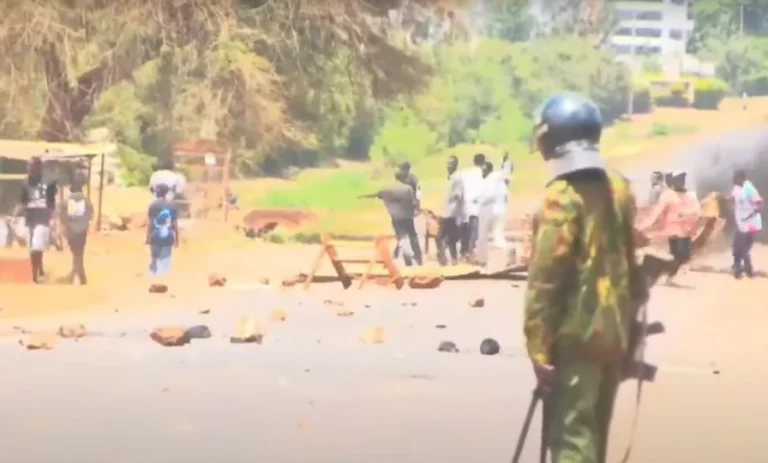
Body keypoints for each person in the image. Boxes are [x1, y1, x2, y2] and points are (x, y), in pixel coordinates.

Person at [524, 93, 649, 463]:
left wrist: (538, 346)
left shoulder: (561, 196)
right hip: (614, 333)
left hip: (576, 337)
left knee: (572, 439)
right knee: (596, 431)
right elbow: (631, 263)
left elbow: (546, 279)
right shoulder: (620, 188)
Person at [638, 171, 700, 284]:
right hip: (674, 232)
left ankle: (666, 275)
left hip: (686, 232)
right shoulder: (667, 195)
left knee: (682, 258)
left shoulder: (691, 195)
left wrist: (685, 213)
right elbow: (656, 213)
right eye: (678, 179)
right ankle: (661, 272)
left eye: (682, 179)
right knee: (677, 257)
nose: (681, 181)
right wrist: (643, 226)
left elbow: (697, 211)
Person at [360, 172, 421, 266]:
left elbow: (376, 195)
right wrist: (416, 210)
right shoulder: (408, 189)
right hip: (408, 217)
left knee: (401, 237)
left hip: (396, 218)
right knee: (412, 237)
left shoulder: (387, 189)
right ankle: (416, 258)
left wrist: (363, 196)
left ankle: (406, 258)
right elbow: (414, 202)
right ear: (404, 178)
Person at [18, 157, 57, 283]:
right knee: (32, 247)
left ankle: (34, 275)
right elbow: (22, 200)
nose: (30, 168)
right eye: (28, 166)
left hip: (42, 217)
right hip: (30, 218)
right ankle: (38, 267)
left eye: (32, 166)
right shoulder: (25, 182)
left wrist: (51, 214)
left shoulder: (49, 182)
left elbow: (52, 201)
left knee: (37, 245)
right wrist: (23, 208)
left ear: (39, 167)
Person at [474, 153, 513, 269]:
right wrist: (505, 161)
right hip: (501, 210)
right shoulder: (498, 178)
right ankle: (509, 250)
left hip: (488, 210)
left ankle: (482, 262)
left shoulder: (489, 179)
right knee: (497, 237)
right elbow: (506, 171)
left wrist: (477, 200)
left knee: (482, 237)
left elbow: (487, 196)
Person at [729, 170, 762, 279]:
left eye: (735, 177)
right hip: (740, 222)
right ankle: (738, 269)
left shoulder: (749, 189)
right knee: (737, 247)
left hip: (749, 223)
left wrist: (755, 211)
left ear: (741, 178)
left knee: (742, 248)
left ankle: (747, 270)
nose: (733, 179)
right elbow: (733, 198)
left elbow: (759, 203)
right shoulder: (736, 187)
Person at [59, 181, 93, 285]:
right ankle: (74, 275)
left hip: (71, 230)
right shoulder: (87, 201)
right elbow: (90, 215)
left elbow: (63, 217)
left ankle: (81, 277)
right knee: (79, 254)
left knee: (76, 254)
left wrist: (64, 229)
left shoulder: (65, 202)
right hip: (82, 230)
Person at [146, 184, 180, 279]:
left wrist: (147, 238)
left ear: (157, 192)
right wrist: (177, 240)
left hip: (155, 236)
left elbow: (150, 224)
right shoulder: (172, 206)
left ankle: (152, 279)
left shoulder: (153, 205)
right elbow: (175, 225)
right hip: (168, 237)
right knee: (165, 261)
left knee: (154, 260)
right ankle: (163, 281)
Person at [436, 155, 463, 266]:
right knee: (449, 238)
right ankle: (452, 260)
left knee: (441, 237)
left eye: (451, 163)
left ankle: (448, 259)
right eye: (448, 163)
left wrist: (452, 212)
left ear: (456, 165)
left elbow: (458, 195)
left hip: (452, 213)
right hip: (448, 212)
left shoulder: (457, 178)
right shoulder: (450, 178)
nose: (448, 165)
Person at [459, 153, 485, 259]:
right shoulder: (480, 174)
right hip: (475, 207)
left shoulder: (466, 172)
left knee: (466, 230)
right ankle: (470, 252)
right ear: (482, 163)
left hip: (465, 205)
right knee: (474, 231)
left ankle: (463, 250)